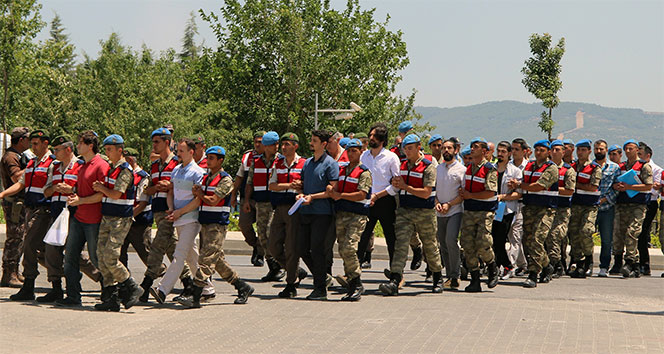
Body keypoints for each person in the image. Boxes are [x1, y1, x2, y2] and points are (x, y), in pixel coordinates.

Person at [179, 146, 254, 308]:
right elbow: (203, 197)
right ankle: (242, 287)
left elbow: (213, 200)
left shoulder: (225, 180)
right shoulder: (207, 177)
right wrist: (197, 191)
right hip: (206, 223)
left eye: (212, 158)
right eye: (208, 158)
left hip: (217, 225)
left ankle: (196, 295)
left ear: (220, 160)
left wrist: (200, 194)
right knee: (217, 261)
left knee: (205, 260)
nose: (208, 161)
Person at [378, 134, 443, 295]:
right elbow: (399, 186)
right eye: (405, 149)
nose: (407, 152)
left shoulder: (428, 167)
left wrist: (405, 187)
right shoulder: (403, 165)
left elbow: (427, 193)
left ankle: (437, 276)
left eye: (410, 148)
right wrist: (396, 185)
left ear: (419, 146)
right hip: (405, 211)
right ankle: (395, 279)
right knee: (400, 245)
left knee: (430, 246)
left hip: (424, 212)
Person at [38, 135, 100, 303]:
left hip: (75, 213)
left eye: (57, 150)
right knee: (51, 249)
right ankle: (56, 288)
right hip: (57, 214)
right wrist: (54, 188)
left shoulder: (80, 166)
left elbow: (86, 189)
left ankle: (101, 281)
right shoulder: (54, 167)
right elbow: (45, 191)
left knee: (74, 254)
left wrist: (70, 189)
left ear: (68, 149)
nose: (54, 152)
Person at [150, 138, 213, 302]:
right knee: (191, 256)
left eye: (181, 151)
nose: (178, 154)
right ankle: (207, 287)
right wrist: (171, 209)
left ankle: (162, 290)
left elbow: (198, 200)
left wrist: (180, 212)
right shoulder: (177, 170)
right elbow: (171, 191)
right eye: (177, 151)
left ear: (191, 152)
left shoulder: (198, 172)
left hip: (191, 219)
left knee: (179, 255)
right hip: (179, 218)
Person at [139, 128, 195, 303]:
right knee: (171, 248)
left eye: (157, 141)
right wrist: (156, 188)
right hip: (158, 209)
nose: (154, 145)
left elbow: (183, 187)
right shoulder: (155, 165)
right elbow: (147, 189)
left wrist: (169, 187)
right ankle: (189, 284)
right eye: (153, 142)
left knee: (157, 246)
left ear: (167, 142)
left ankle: (145, 286)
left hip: (171, 211)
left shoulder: (177, 165)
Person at [57, 131, 111, 306]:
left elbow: (103, 194)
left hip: (94, 220)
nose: (77, 146)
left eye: (81, 143)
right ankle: (73, 296)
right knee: (70, 256)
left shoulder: (101, 166)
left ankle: (109, 294)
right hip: (79, 218)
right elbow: (82, 190)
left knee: (97, 259)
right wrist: (72, 192)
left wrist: (81, 200)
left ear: (90, 146)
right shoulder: (83, 166)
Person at [1, 130, 55, 301]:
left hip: (44, 210)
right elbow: (20, 183)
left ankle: (56, 283)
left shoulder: (54, 163)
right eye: (31, 143)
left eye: (36, 143)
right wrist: (1, 195)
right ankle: (31, 284)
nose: (33, 147)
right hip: (30, 209)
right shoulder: (32, 162)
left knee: (32, 245)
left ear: (46, 143)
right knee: (33, 246)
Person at [92, 134, 144, 311]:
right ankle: (111, 296)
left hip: (120, 219)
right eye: (105, 150)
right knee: (101, 255)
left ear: (120, 150)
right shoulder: (111, 168)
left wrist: (101, 188)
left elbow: (116, 193)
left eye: (110, 150)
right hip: (108, 216)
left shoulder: (125, 171)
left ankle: (131, 286)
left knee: (111, 256)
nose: (107, 153)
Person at [509, 139, 558, 288]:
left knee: (537, 240)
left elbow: (539, 186)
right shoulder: (529, 166)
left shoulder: (551, 168)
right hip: (530, 208)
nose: (538, 153)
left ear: (548, 152)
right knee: (529, 242)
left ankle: (533, 274)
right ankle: (547, 265)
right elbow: (524, 183)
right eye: (536, 150)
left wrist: (519, 185)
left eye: (542, 150)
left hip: (545, 209)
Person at [296, 129, 339, 300]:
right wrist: (299, 191)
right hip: (306, 211)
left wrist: (312, 197)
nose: (311, 143)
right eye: (311, 140)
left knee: (317, 250)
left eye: (314, 141)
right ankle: (323, 277)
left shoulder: (330, 164)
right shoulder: (307, 163)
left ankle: (320, 288)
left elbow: (332, 191)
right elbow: (304, 184)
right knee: (301, 248)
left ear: (324, 144)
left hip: (322, 213)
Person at [327, 139, 371, 301]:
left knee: (349, 248)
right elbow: (336, 187)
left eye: (355, 150)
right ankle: (351, 282)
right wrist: (332, 190)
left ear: (361, 152)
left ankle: (357, 282)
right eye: (349, 150)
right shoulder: (342, 170)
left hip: (357, 215)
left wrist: (340, 195)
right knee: (342, 249)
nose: (351, 153)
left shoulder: (364, 172)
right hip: (342, 214)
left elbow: (361, 194)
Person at [267, 133, 309, 298]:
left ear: (295, 146)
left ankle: (291, 284)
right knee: (273, 246)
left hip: (295, 208)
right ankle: (294, 270)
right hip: (279, 208)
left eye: (287, 144)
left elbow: (308, 185)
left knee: (291, 247)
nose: (283, 147)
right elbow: (272, 185)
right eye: (282, 144)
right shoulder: (278, 164)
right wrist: (289, 185)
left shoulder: (304, 164)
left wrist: (301, 186)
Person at [356, 123, 400, 272]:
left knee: (391, 237)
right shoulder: (364, 156)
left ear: (382, 139)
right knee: (362, 236)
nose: (370, 138)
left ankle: (395, 272)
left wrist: (378, 195)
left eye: (374, 136)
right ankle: (353, 272)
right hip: (367, 200)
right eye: (370, 135)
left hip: (385, 200)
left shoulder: (391, 158)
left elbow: (396, 184)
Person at [458, 137, 500, 293]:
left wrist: (470, 195)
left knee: (483, 243)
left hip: (484, 211)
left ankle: (492, 266)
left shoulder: (490, 169)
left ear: (484, 151)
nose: (472, 149)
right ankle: (475, 279)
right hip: (469, 211)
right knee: (467, 245)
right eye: (471, 147)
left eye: (475, 147)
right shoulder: (468, 168)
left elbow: (490, 192)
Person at [244, 131, 283, 281]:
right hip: (260, 203)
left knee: (270, 233)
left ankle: (282, 265)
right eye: (273, 144)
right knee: (262, 236)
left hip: (275, 204)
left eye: (277, 144)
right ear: (266, 146)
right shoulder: (256, 161)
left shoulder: (280, 161)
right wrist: (246, 200)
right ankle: (273, 267)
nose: (276, 147)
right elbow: (250, 182)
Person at [613, 139, 653, 278]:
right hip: (622, 204)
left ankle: (630, 262)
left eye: (631, 149)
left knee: (632, 232)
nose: (628, 151)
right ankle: (623, 262)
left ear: (637, 150)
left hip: (637, 205)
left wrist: (630, 187)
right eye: (626, 149)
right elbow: (614, 182)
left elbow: (648, 186)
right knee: (619, 233)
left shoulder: (644, 166)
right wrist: (617, 186)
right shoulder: (621, 166)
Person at [567, 139, 602, 278]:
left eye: (583, 150)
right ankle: (578, 262)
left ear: (589, 151)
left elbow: (593, 187)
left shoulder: (595, 168)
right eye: (579, 150)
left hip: (589, 206)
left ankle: (589, 260)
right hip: (575, 205)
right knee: (574, 235)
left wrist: (574, 185)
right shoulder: (572, 167)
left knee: (586, 231)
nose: (580, 153)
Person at [0, 127, 30, 288]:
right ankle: (8, 273)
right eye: (27, 139)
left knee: (20, 238)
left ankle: (14, 271)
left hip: (20, 202)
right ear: (21, 140)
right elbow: (16, 177)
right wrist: (33, 166)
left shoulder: (18, 155)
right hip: (14, 203)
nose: (30, 142)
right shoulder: (11, 157)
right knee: (14, 237)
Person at [434, 139, 466, 289]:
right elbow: (433, 190)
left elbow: (463, 194)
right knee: (443, 243)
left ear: (455, 150)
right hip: (439, 212)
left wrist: (449, 204)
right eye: (444, 148)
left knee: (451, 240)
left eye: (449, 148)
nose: (446, 150)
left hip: (455, 211)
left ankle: (456, 275)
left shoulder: (461, 170)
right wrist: (437, 203)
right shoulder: (438, 168)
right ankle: (449, 275)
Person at [232, 131, 265, 266]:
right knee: (244, 225)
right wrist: (233, 194)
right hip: (247, 198)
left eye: (261, 142)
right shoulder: (247, 156)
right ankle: (256, 245)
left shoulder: (274, 157)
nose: (258, 144)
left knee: (263, 229)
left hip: (263, 199)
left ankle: (260, 254)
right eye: (256, 141)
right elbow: (239, 177)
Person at [492, 141, 523, 281]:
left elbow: (519, 194)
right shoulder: (492, 168)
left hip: (506, 209)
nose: (500, 154)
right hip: (493, 208)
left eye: (503, 152)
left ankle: (508, 266)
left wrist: (503, 197)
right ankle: (498, 267)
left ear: (509, 154)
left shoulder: (515, 171)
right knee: (493, 239)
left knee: (500, 239)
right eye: (498, 151)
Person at [544, 140, 575, 279]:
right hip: (546, 208)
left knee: (555, 236)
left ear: (563, 152)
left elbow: (569, 191)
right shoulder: (544, 168)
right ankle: (553, 263)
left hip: (561, 209)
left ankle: (555, 263)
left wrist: (550, 187)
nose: (554, 152)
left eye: (558, 150)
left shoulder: (568, 170)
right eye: (552, 150)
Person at [120, 148, 153, 268]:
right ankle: (124, 283)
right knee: (120, 254)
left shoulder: (142, 177)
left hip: (140, 222)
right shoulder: (124, 175)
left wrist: (128, 217)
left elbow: (142, 203)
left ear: (129, 160)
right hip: (125, 221)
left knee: (146, 254)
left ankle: (161, 274)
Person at [593, 140, 620, 277]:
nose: (598, 151)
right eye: (596, 149)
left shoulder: (614, 168)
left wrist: (605, 199)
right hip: (590, 208)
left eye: (601, 149)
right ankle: (586, 264)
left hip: (607, 208)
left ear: (606, 150)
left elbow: (617, 187)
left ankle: (604, 266)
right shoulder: (589, 166)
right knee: (585, 236)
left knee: (606, 239)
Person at [636, 143, 661, 275]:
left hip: (649, 204)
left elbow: (654, 190)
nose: (638, 157)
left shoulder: (656, 169)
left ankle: (644, 264)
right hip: (636, 202)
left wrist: (639, 187)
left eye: (640, 154)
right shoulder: (635, 167)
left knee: (643, 233)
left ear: (648, 155)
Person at [508, 138, 529, 275]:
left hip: (524, 204)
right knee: (512, 235)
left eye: (517, 149)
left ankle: (508, 265)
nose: (514, 152)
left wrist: (518, 185)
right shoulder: (508, 166)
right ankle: (522, 263)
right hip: (509, 204)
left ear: (524, 151)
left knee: (516, 236)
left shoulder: (528, 167)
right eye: (512, 149)